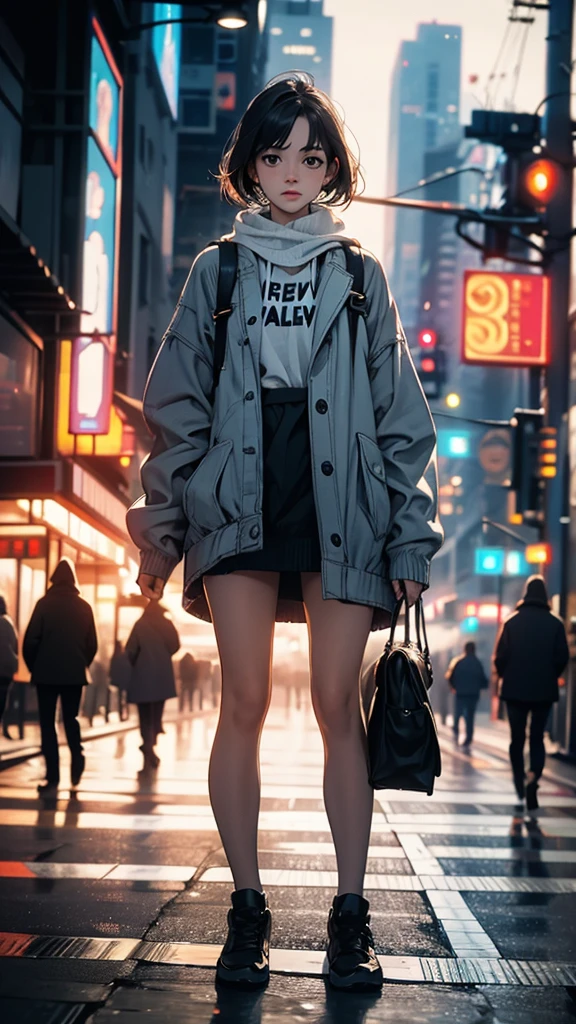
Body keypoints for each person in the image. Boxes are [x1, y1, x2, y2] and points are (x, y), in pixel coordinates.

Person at [126, 73, 442, 992]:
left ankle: (351, 914)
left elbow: (399, 422)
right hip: (240, 500)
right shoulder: (218, 270)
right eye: (275, 155)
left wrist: (411, 541)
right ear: (250, 166)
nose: (293, 173)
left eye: (311, 155)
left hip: (344, 504)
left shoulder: (358, 275)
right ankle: (248, 909)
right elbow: (177, 409)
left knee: (338, 709)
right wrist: (161, 531)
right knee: (247, 702)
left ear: (332, 167)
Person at [494, 575, 569, 813]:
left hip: (515, 689)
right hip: (543, 690)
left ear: (525, 594)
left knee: (517, 739)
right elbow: (562, 658)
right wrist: (549, 674)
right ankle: (533, 777)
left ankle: (518, 782)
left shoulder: (511, 622)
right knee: (537, 737)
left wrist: (507, 674)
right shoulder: (555, 623)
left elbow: (500, 658)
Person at [23, 558, 97, 795]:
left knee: (48, 724)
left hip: (46, 675)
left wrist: (35, 666)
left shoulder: (44, 604)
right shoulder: (84, 607)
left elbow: (30, 640)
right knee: (71, 719)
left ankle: (52, 777)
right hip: (75, 675)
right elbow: (92, 645)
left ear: (53, 579)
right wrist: (80, 663)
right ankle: (78, 757)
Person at [125, 600, 180, 769]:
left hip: (142, 673)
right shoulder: (167, 623)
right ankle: (150, 745)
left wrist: (136, 663)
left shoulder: (140, 624)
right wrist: (164, 655)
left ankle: (147, 745)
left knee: (145, 713)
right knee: (157, 712)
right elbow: (176, 645)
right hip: (162, 674)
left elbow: (131, 648)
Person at [446, 641, 488, 748]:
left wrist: (454, 687)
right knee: (470, 716)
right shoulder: (477, 663)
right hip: (473, 694)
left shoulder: (459, 662)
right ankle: (468, 738)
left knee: (458, 713)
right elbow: (483, 679)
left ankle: (456, 731)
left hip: (460, 693)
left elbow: (450, 677)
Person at [0, 596, 18, 740]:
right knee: (2, 702)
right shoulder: (8, 623)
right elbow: (15, 646)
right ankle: (4, 729)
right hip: (6, 671)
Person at [109, 640, 132, 721]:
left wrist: (112, 678)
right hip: (125, 680)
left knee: (119, 698)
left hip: (118, 681)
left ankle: (121, 714)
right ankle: (127, 713)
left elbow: (111, 670)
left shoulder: (114, 657)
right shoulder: (124, 656)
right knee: (126, 697)